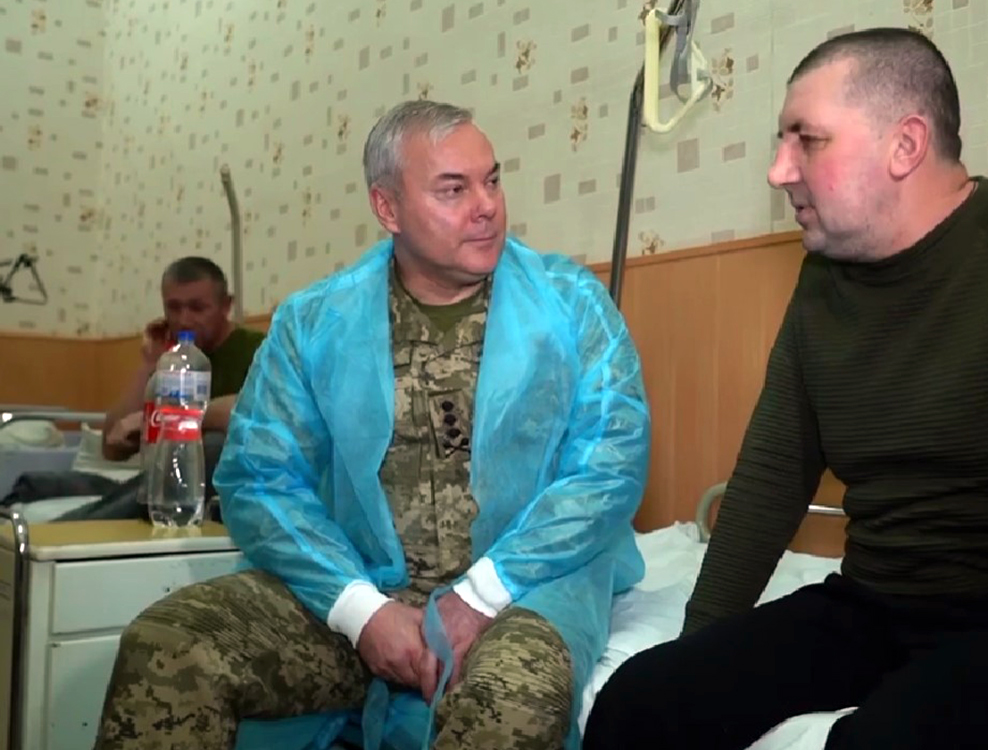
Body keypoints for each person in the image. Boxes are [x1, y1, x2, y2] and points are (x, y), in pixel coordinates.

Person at [584, 27, 988, 750]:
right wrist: (698, 653)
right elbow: (770, 482)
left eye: (807, 141)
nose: (777, 170)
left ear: (905, 145)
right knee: (638, 701)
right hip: (879, 603)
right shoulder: (824, 283)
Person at [92, 100, 650, 750]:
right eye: (454, 189)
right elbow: (260, 480)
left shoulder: (572, 306)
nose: (487, 206)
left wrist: (480, 595)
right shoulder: (314, 324)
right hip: (357, 587)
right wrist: (361, 611)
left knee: (513, 698)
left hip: (523, 592)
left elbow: (610, 464)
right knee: (168, 643)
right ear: (388, 208)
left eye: (492, 180)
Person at [100, 257, 265, 462]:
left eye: (198, 308)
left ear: (225, 306)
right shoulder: (169, 358)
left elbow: (257, 411)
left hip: (220, 474)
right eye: (173, 308)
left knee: (214, 443)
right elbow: (111, 447)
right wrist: (150, 364)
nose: (184, 320)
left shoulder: (258, 349)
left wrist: (164, 419)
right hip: (160, 474)